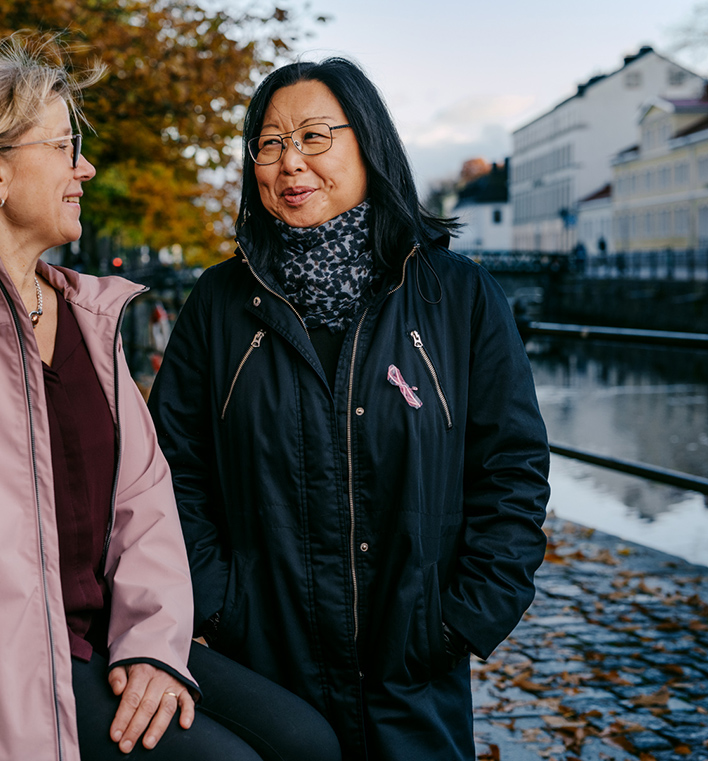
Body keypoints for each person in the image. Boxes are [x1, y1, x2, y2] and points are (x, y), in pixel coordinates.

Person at [0, 34, 340, 761]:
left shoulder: (89, 317)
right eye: (64, 147)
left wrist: (150, 644)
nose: (85, 167)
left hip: (96, 637)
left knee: (310, 742)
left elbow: (145, 508)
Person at [148, 56, 551, 761]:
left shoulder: (457, 298)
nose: (289, 162)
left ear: (368, 142)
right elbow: (172, 468)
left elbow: (512, 468)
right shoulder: (217, 306)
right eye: (269, 143)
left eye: (312, 136)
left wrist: (461, 618)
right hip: (268, 665)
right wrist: (217, 603)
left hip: (415, 673)